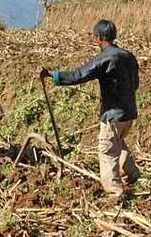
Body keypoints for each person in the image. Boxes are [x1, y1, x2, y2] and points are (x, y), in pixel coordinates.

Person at [39, 19, 140, 198]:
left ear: (99, 38)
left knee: (107, 149)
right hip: (129, 114)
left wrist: (52, 75)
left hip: (113, 115)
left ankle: (115, 193)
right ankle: (132, 174)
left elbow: (79, 74)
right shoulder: (129, 56)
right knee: (117, 143)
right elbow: (135, 84)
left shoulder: (105, 58)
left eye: (95, 37)